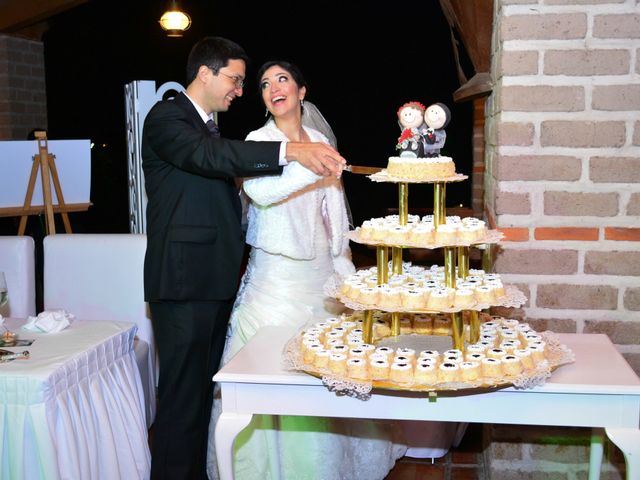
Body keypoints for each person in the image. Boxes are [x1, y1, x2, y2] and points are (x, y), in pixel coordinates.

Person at [142, 38, 345, 480]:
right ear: (205, 74)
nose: (239, 89)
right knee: (181, 400)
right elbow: (211, 157)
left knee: (199, 396)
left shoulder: (205, 125)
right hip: (182, 283)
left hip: (213, 282)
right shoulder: (167, 117)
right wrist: (291, 152)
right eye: (235, 79)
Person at [206, 60, 407, 480]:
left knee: (331, 381)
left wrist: (346, 271)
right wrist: (306, 166)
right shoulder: (257, 140)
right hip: (274, 285)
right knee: (273, 382)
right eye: (263, 84)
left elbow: (333, 215)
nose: (272, 88)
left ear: (301, 91)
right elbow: (260, 192)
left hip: (320, 283)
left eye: (282, 80)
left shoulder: (319, 139)